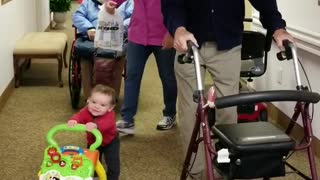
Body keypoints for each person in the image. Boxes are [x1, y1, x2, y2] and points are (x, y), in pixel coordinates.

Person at [161, 0, 294, 179]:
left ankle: (225, 163)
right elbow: (172, 3)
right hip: (188, 43)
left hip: (228, 43)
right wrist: (178, 28)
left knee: (228, 107)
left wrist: (277, 27)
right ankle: (198, 169)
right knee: (190, 109)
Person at [115, 0, 178, 135]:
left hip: (163, 35)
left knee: (167, 76)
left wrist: (172, 32)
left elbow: (178, 6)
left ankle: (170, 113)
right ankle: (127, 119)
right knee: (132, 76)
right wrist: (112, 3)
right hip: (138, 34)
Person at [72, 0, 133, 100]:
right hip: (92, 40)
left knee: (119, 58)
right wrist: (89, 28)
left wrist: (119, 26)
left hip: (115, 40)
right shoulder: (88, 3)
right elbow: (77, 16)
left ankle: (110, 99)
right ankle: (90, 99)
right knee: (85, 58)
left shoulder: (127, 3)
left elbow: (134, 18)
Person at [68, 84, 120, 180]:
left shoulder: (110, 115)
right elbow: (79, 116)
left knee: (113, 163)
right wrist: (74, 120)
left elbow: (107, 124)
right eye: (94, 102)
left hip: (110, 142)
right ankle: (96, 176)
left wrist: (96, 125)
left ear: (110, 108)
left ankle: (112, 177)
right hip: (93, 142)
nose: (96, 106)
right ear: (88, 100)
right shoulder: (86, 111)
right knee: (93, 158)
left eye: (102, 105)